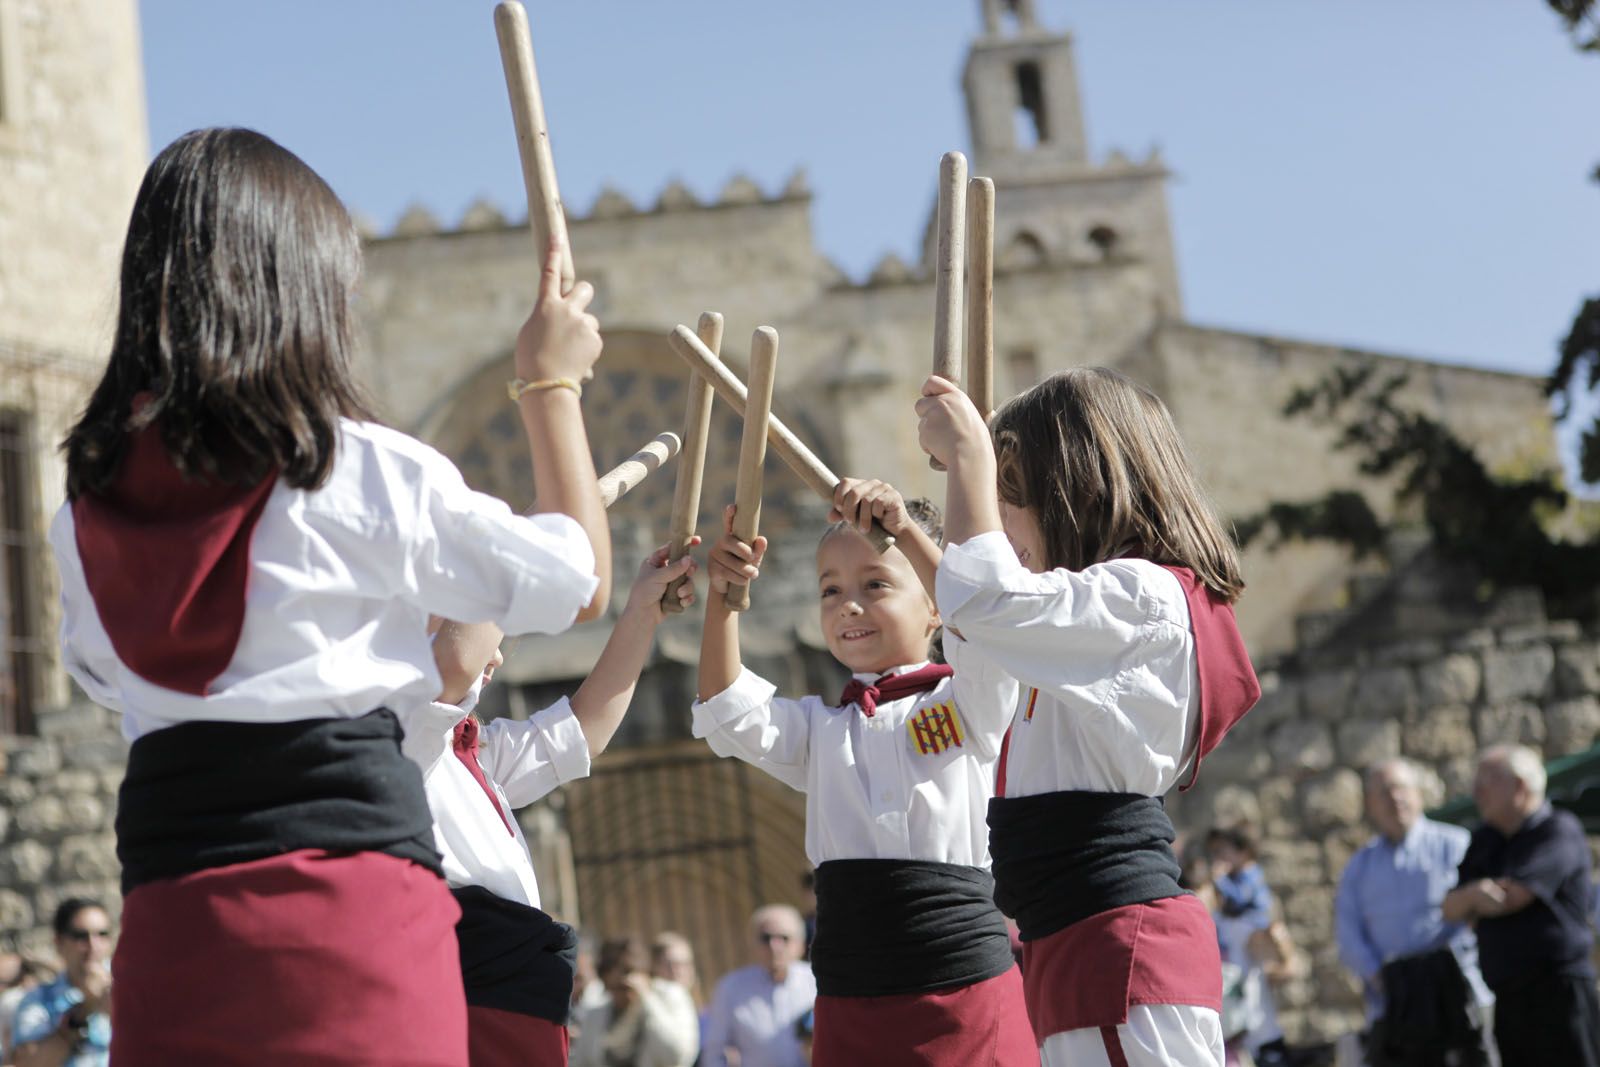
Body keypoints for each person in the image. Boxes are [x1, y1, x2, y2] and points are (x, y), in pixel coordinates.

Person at [48, 127, 610, 1067]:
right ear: (302, 287)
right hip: (351, 921)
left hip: (172, 927)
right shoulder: (358, 469)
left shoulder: (85, 507)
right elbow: (574, 577)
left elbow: (102, 678)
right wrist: (550, 382)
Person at [916, 367, 1262, 1067]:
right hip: (1080, 947)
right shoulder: (1078, 625)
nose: (1003, 523)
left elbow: (984, 605)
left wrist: (971, 463)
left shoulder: (1141, 597)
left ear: (1068, 488)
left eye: (1012, 499)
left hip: (1118, 950)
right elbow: (978, 644)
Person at [695, 482, 1035, 1067]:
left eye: (875, 584)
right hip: (852, 994)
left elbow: (983, 623)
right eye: (830, 590)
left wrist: (906, 528)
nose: (847, 605)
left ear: (934, 605)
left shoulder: (968, 702)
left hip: (960, 985)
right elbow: (727, 706)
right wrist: (725, 595)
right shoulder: (820, 731)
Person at [410, 542, 697, 1067]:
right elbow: (454, 664)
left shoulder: (468, 753)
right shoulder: (403, 736)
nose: (496, 654)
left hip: (514, 1003)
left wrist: (642, 612)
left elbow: (580, 732)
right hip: (471, 999)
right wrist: (510, 542)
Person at [1443, 744, 1600, 1066]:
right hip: (1510, 996)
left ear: (1519, 785)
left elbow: (1514, 896)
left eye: (1486, 781)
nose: (1476, 792)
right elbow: (1449, 908)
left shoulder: (1557, 830)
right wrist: (1475, 896)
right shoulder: (1485, 839)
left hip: (1560, 993)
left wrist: (1474, 899)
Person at [1334, 758, 1489, 1067]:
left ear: (1418, 793)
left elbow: (1478, 915)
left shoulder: (1456, 845)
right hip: (1394, 1009)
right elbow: (1347, 934)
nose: (1395, 798)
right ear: (1370, 804)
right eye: (1384, 792)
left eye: (1401, 788)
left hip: (1459, 1000)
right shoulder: (1359, 867)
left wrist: (1445, 969)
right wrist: (1385, 978)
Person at [1205, 829, 1292, 1067]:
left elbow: (1286, 964)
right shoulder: (1219, 919)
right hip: (1233, 1032)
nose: (1218, 859)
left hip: (1259, 1026)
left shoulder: (1250, 890)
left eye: (1222, 852)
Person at [702, 907, 816, 1067]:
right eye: (766, 938)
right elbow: (715, 1051)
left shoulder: (818, 981)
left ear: (801, 945)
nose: (774, 946)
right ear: (753, 943)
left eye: (784, 938)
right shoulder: (730, 987)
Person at [10, 900, 113, 1067]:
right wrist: (83, 1012)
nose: (93, 945)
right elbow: (27, 1062)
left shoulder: (131, 990)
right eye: (80, 936)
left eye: (102, 934)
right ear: (59, 942)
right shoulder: (38, 999)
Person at [570, 937, 699, 1067]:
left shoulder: (672, 996)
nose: (622, 995)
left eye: (626, 986)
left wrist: (646, 999)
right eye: (616, 988)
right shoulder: (595, 1016)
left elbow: (677, 1056)